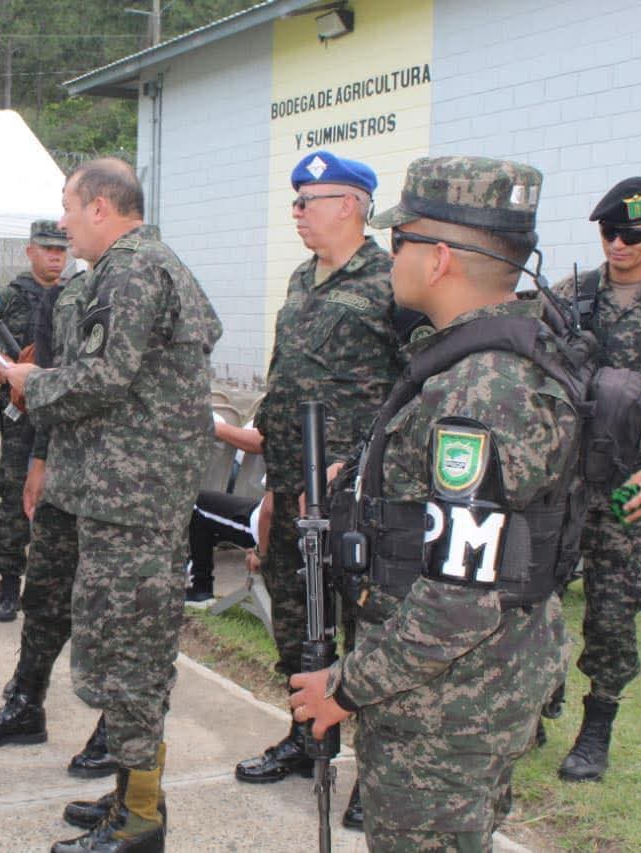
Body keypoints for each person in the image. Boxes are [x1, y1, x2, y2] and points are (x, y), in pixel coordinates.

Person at [291, 156, 577, 850]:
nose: (390, 256)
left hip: (450, 706)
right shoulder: (473, 361)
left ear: (441, 258)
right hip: (474, 686)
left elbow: (458, 598)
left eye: (401, 240)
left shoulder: (479, 391)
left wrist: (346, 686)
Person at [2, 158, 222, 852]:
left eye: (68, 207)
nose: (63, 223)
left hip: (134, 503)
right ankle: (130, 795)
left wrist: (30, 381)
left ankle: (141, 822)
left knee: (130, 659)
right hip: (131, 496)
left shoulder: (132, 269)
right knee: (131, 653)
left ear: (100, 207)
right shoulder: (148, 264)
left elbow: (104, 376)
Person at [238, 152, 424, 829]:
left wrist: (363, 462)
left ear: (349, 204)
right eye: (294, 201)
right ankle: (307, 738)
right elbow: (286, 380)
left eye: (307, 200)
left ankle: (375, 778)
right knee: (295, 621)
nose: (296, 212)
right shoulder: (300, 278)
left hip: (355, 496)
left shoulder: (391, 283)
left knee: (366, 627)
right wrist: (273, 487)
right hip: (292, 487)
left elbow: (416, 388)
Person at [0, 267, 124, 784]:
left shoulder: (139, 285)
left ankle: (118, 728)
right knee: (45, 594)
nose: (65, 230)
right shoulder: (62, 297)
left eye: (71, 213)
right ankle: (25, 704)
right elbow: (48, 386)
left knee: (111, 606)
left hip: (120, 478)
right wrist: (39, 460)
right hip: (64, 469)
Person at [548, 177, 641, 781]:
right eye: (610, 232)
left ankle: (597, 727)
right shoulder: (572, 295)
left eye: (632, 234)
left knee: (612, 613)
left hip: (628, 486)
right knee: (536, 594)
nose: (618, 244)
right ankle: (537, 701)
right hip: (564, 477)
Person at [0, 220, 69, 621]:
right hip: (19, 418)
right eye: (47, 249)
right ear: (30, 252)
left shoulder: (78, 295)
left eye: (61, 250)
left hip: (62, 415)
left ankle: (53, 588)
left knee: (61, 501)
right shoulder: (5, 300)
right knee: (12, 500)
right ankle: (9, 585)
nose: (55, 256)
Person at [186, 423, 267, 604]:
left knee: (196, 506)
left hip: (270, 526)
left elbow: (272, 507)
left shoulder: (295, 447)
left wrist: (262, 550)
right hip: (299, 526)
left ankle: (200, 589)